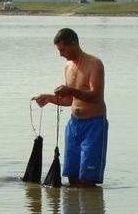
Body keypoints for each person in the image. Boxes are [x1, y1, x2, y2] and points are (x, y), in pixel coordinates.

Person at [32, 28, 108, 187]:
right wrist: (49, 98)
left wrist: (70, 90)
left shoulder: (94, 63)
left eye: (62, 49)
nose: (60, 54)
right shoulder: (67, 67)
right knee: (72, 177)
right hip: (74, 124)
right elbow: (68, 100)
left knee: (87, 180)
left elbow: (96, 96)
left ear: (73, 44)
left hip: (94, 124)